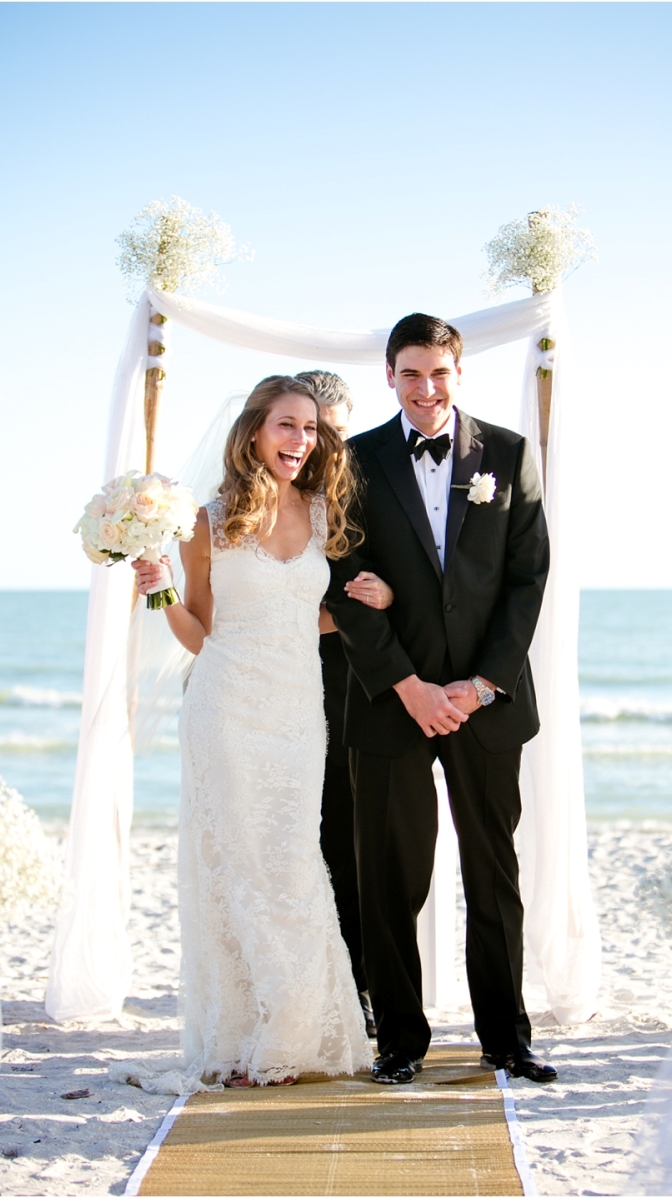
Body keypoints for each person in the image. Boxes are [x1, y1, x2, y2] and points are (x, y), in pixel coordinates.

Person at [326, 313, 556, 1085]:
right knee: (389, 876)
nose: (427, 389)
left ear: (460, 374)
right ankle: (398, 1040)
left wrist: (480, 684)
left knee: (493, 871)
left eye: (440, 374)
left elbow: (526, 581)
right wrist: (411, 687)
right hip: (393, 699)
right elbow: (347, 586)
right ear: (389, 376)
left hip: (485, 698)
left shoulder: (511, 455)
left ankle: (507, 1036)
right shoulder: (352, 463)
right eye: (412, 374)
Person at [134, 375, 373, 1087]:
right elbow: (201, 629)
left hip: (300, 714)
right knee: (239, 874)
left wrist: (372, 599)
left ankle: (298, 1026)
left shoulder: (329, 513)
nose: (299, 440)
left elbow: (318, 614)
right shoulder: (209, 520)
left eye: (308, 429)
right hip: (226, 712)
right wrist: (158, 591)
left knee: (294, 866)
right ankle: (255, 1035)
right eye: (285, 426)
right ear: (254, 432)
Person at [294, 370, 392, 1040]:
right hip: (282, 680)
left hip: (358, 682)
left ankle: (360, 987)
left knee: (352, 837)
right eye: (309, 426)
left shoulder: (370, 488)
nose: (322, 440)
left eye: (333, 427)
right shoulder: (269, 496)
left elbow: (399, 577)